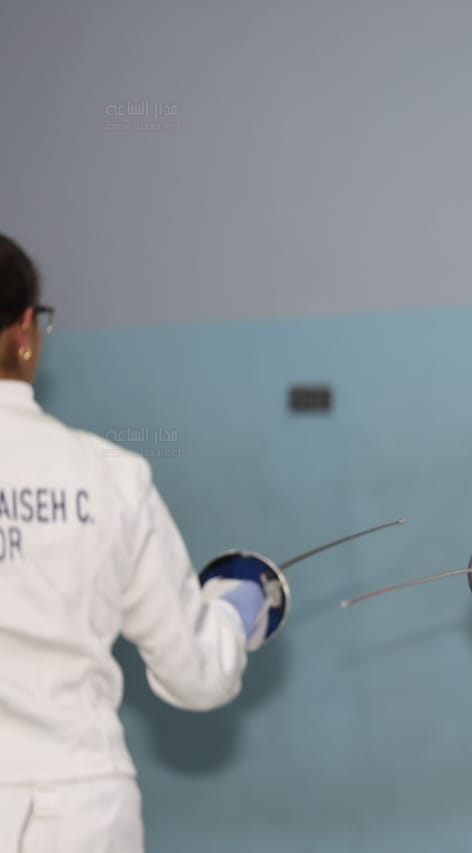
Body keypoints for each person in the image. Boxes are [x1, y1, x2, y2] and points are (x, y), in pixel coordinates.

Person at [0, 233, 271, 853]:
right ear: (24, 331)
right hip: (78, 810)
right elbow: (195, 673)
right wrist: (237, 610)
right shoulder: (108, 475)